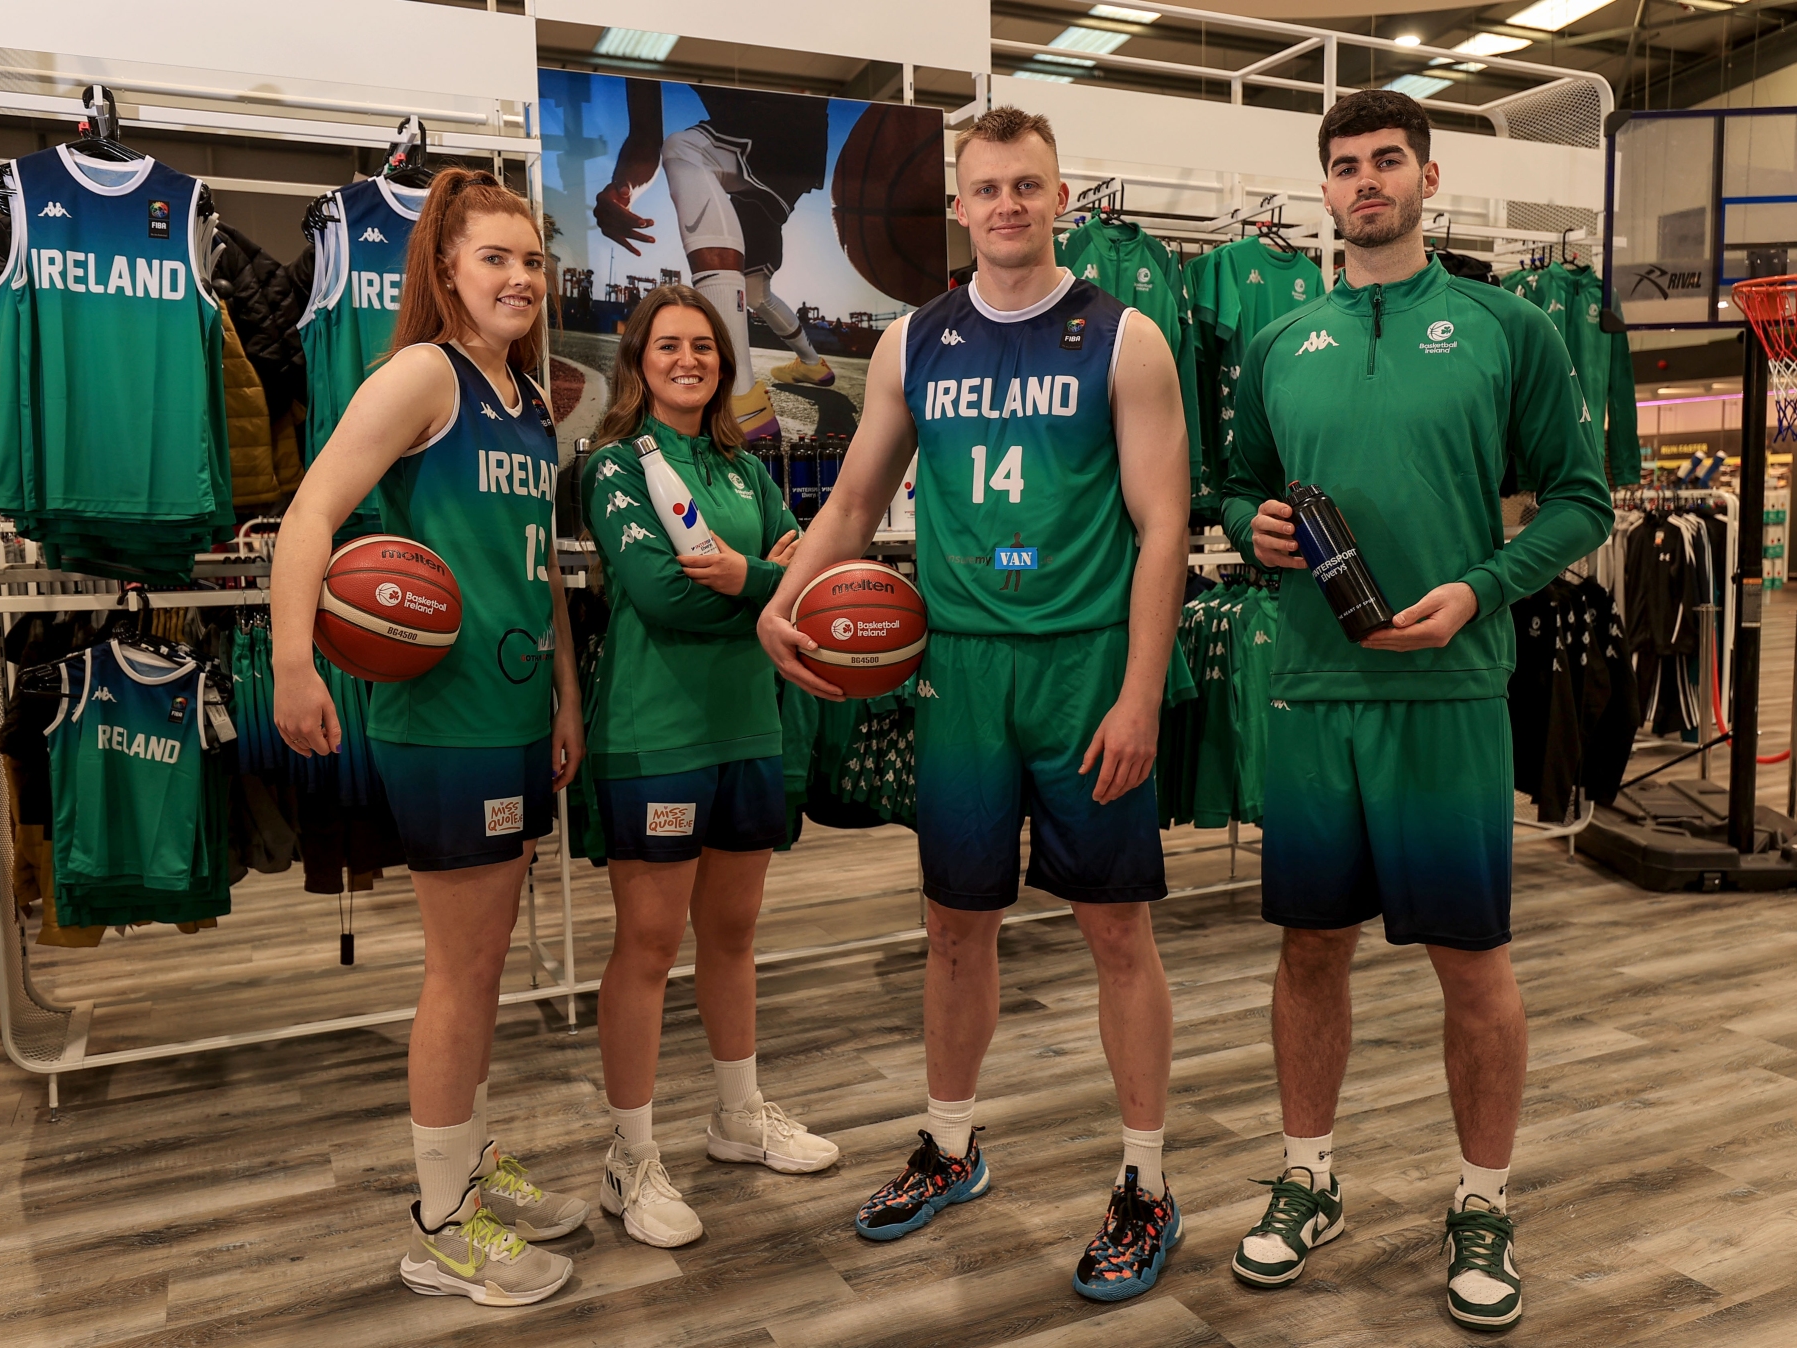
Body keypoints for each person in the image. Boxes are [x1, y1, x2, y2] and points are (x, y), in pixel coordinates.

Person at [757, 106, 1192, 1304]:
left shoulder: (1128, 339)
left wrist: (1143, 691)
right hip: (961, 670)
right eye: (987, 187)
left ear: (1062, 198)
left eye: (1028, 185)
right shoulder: (913, 343)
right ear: (959, 205)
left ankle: (1146, 1183)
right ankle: (951, 1146)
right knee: (954, 924)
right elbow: (851, 508)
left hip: (1085, 664)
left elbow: (1165, 530)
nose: (1007, 204)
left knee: (1116, 931)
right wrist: (779, 601)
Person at [1219, 90, 1613, 1330]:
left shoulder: (1506, 328)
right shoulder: (1279, 340)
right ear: (1324, 193)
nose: (1366, 181)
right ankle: (1307, 1176)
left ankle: (1482, 1202)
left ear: (1429, 180)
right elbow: (1231, 487)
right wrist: (1252, 526)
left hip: (1448, 690)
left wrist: (1481, 586)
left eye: (1387, 160)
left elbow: (1583, 499)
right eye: (1345, 166)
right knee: (1308, 951)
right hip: (1311, 688)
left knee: (1472, 962)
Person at [272, 167, 589, 1307]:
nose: (517, 277)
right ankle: (442, 1224)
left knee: (488, 961)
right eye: (493, 257)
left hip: (509, 712)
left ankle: (472, 1164)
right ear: (445, 270)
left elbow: (540, 564)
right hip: (441, 723)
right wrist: (292, 659)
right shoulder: (424, 375)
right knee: (461, 970)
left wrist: (563, 693)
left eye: (530, 259)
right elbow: (311, 510)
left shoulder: (530, 397)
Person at [578, 283, 840, 1248]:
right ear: (638, 359)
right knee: (647, 949)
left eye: (704, 347)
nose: (688, 360)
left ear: (724, 363)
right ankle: (630, 1159)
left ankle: (738, 1117)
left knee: (732, 936)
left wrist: (749, 577)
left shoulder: (744, 466)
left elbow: (802, 574)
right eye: (668, 346)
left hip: (748, 730)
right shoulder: (612, 466)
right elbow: (659, 596)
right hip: (656, 737)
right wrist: (760, 580)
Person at [594, 78, 837, 441]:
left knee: (685, 148)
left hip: (780, 125)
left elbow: (655, 141)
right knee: (755, 291)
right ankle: (813, 365)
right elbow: (646, 139)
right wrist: (623, 185)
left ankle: (741, 400)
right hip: (794, 150)